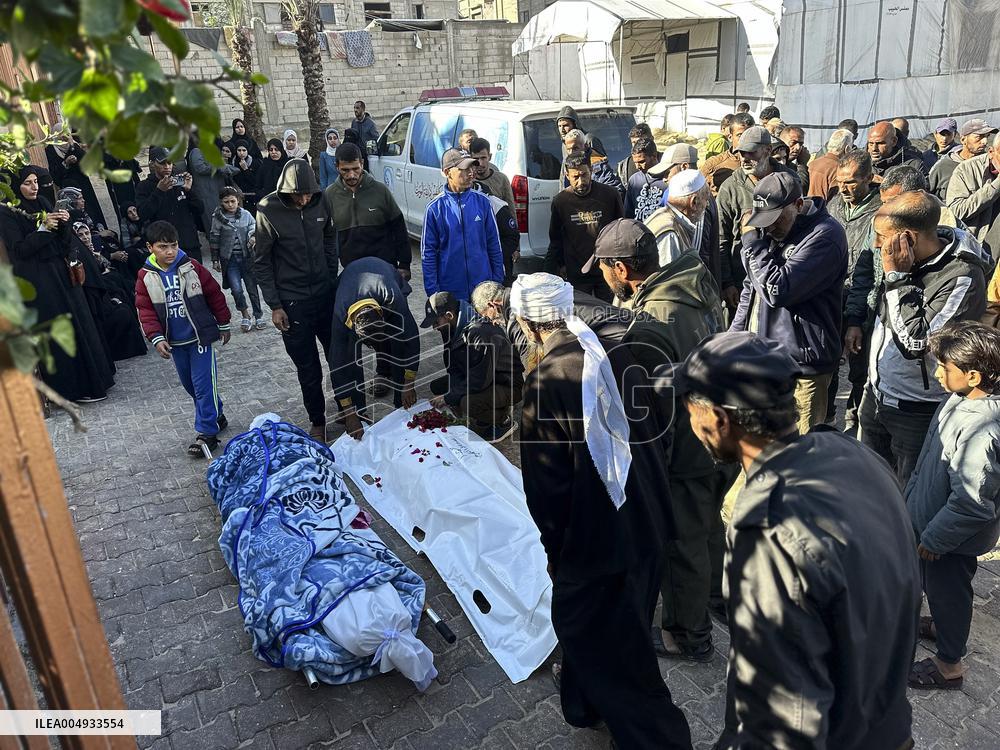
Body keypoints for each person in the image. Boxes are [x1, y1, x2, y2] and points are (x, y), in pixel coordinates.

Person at [661, 330, 920, 750]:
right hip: (886, 722)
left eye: (690, 411)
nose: (690, 425)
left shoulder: (769, 529)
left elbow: (784, 724)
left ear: (718, 420)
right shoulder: (856, 456)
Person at [512, 272, 693, 750]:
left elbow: (546, 488)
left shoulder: (547, 379)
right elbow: (659, 431)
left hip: (601, 545)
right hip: (647, 524)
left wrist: (557, 553)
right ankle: (584, 703)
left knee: (614, 650)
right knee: (610, 628)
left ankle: (660, 738)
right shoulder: (615, 351)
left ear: (530, 327)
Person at [587, 219, 729, 662]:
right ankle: (716, 596)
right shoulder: (691, 281)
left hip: (688, 442)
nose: (603, 276)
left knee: (681, 537)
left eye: (606, 268)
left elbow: (652, 406)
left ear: (624, 269)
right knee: (708, 523)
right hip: (723, 425)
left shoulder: (654, 319)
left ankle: (689, 634)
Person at [859, 191, 989, 485]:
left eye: (881, 236)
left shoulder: (962, 277)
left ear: (909, 238)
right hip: (877, 395)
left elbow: (917, 344)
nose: (877, 245)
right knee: (869, 486)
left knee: (906, 497)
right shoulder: (904, 259)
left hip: (915, 409)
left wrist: (897, 279)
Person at [905, 322, 1000, 691]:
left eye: (944, 367)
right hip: (931, 528)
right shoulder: (961, 400)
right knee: (937, 592)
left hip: (948, 541)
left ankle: (949, 665)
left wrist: (935, 539)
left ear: (973, 375)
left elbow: (972, 503)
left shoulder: (984, 430)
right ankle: (942, 626)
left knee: (950, 595)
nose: (937, 372)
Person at [731, 171, 848, 434]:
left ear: (798, 205)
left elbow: (777, 290)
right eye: (763, 221)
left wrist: (751, 243)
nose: (769, 227)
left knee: (801, 455)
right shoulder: (769, 232)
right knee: (763, 445)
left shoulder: (825, 236)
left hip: (803, 368)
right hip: (766, 361)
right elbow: (751, 288)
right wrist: (734, 338)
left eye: (775, 219)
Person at [2, 167, 114, 402]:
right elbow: (20, 250)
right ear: (15, 187)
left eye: (35, 182)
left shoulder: (43, 201)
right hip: (40, 280)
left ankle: (97, 380)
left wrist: (63, 224)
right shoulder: (8, 213)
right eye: (27, 183)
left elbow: (63, 242)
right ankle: (74, 390)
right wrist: (44, 228)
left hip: (62, 273)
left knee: (80, 323)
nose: (34, 187)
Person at [254, 158, 339, 442]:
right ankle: (318, 419)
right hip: (293, 303)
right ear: (285, 191)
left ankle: (351, 409)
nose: (304, 199)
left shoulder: (321, 200)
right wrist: (275, 305)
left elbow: (330, 236)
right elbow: (262, 262)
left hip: (325, 296)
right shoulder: (268, 210)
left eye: (308, 194)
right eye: (298, 195)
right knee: (308, 367)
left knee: (340, 356)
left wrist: (330, 272)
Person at [135, 220, 230, 456]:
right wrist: (156, 337)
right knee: (190, 386)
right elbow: (144, 309)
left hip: (199, 340)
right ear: (150, 247)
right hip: (176, 344)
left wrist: (223, 322)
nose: (170, 252)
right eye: (163, 247)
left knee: (202, 386)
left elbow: (214, 294)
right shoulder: (145, 276)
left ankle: (207, 433)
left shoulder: (192, 267)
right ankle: (216, 414)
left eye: (173, 246)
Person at [330, 256, 420, 439]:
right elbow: (338, 367)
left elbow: (411, 339)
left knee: (398, 345)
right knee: (349, 360)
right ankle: (359, 414)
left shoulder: (393, 298)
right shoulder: (340, 316)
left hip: (385, 274)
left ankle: (400, 404)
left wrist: (409, 383)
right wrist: (349, 413)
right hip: (350, 278)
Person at [716, 125, 799, 317]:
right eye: (741, 153)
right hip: (741, 281)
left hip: (778, 278)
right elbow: (721, 238)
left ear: (767, 150)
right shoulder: (730, 188)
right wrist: (727, 283)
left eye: (750, 153)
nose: (744, 158)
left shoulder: (789, 179)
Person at [826, 150, 883, 430]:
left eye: (851, 182)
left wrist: (856, 319)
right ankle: (827, 421)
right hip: (833, 296)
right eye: (840, 181)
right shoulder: (834, 204)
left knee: (860, 370)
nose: (844, 188)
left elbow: (872, 269)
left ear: (869, 178)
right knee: (829, 364)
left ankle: (856, 423)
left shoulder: (880, 211)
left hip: (864, 301)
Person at [423, 291, 520, 440]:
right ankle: (488, 405)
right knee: (439, 387)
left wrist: (451, 398)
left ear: (449, 315)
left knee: (466, 402)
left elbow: (480, 380)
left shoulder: (480, 332)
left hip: (506, 383)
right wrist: (451, 395)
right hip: (480, 374)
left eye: (436, 322)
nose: (434, 328)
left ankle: (503, 421)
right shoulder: (451, 328)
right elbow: (453, 367)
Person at [421, 148, 504, 300]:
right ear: (447, 172)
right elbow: (428, 254)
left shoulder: (483, 203)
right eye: (464, 169)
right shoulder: (435, 208)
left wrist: (496, 283)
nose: (471, 173)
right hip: (450, 291)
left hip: (483, 290)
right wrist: (434, 293)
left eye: (472, 167)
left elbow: (494, 245)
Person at [545, 152, 624, 302]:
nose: (581, 181)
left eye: (584, 175)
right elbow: (555, 239)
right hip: (577, 270)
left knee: (610, 314)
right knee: (582, 316)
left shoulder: (610, 195)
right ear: (567, 176)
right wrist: (560, 264)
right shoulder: (561, 201)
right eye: (575, 177)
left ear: (591, 171)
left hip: (606, 269)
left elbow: (620, 231)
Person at [325, 142, 409, 275]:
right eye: (345, 170)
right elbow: (326, 238)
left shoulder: (380, 191)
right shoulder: (329, 196)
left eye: (355, 169)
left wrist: (404, 264)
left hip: (385, 268)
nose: (351, 175)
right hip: (353, 272)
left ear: (362, 163)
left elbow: (399, 229)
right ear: (336, 167)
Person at [135, 147, 204, 263]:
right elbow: (143, 214)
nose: (167, 167)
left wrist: (189, 191)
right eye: (162, 163)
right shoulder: (144, 187)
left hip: (189, 244)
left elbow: (199, 210)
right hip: (165, 248)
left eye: (170, 162)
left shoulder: (179, 182)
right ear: (152, 164)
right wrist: (159, 192)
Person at [210, 186, 264, 333]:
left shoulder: (246, 215)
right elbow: (214, 238)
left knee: (252, 289)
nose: (230, 205)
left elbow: (255, 227)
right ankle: (245, 315)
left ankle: (258, 314)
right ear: (221, 202)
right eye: (226, 202)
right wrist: (215, 260)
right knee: (236, 290)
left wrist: (252, 237)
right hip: (230, 260)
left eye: (233, 201)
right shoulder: (218, 218)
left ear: (238, 201)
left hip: (247, 258)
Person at [644, 169, 713, 271]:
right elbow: (669, 282)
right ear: (694, 202)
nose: (706, 205)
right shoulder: (670, 234)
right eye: (705, 200)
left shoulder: (663, 216)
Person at [946, 130, 1000, 258]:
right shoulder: (967, 170)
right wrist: (996, 186)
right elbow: (957, 211)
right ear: (991, 152)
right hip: (978, 251)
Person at [44, 130, 108, 227]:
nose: (64, 137)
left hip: (84, 185)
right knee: (75, 214)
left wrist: (72, 145)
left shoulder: (74, 145)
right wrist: (65, 163)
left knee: (92, 211)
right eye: (61, 135)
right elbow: (55, 175)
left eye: (67, 134)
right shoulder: (51, 150)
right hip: (68, 189)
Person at [929, 118, 996, 200]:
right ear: (963, 139)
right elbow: (927, 195)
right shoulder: (942, 166)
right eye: (979, 137)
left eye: (987, 136)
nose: (985, 141)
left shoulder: (991, 164)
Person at [188, 135, 239, 232]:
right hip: (207, 192)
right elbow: (200, 168)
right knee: (212, 220)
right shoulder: (197, 151)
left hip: (216, 190)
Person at [475, 180, 520, 285]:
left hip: (495, 274)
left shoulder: (494, 204)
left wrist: (491, 257)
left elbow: (512, 236)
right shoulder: (445, 204)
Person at [701, 112, 754, 194]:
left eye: (750, 135)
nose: (746, 139)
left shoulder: (763, 162)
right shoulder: (714, 164)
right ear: (730, 137)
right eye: (740, 135)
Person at [624, 138, 666, 222]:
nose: (637, 166)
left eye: (641, 162)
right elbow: (628, 214)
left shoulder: (667, 179)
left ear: (654, 156)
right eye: (635, 162)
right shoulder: (634, 180)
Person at [468, 137, 515, 211]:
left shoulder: (502, 179)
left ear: (489, 157)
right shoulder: (467, 182)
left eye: (483, 158)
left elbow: (511, 210)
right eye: (476, 159)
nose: (480, 163)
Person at [807, 128, 854, 200]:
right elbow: (836, 200)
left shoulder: (812, 164)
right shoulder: (840, 169)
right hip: (825, 209)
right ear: (847, 149)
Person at [230, 142, 259, 212]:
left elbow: (255, 182)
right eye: (239, 150)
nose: (241, 153)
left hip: (250, 197)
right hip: (237, 197)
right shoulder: (233, 163)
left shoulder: (254, 163)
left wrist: (246, 169)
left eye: (244, 150)